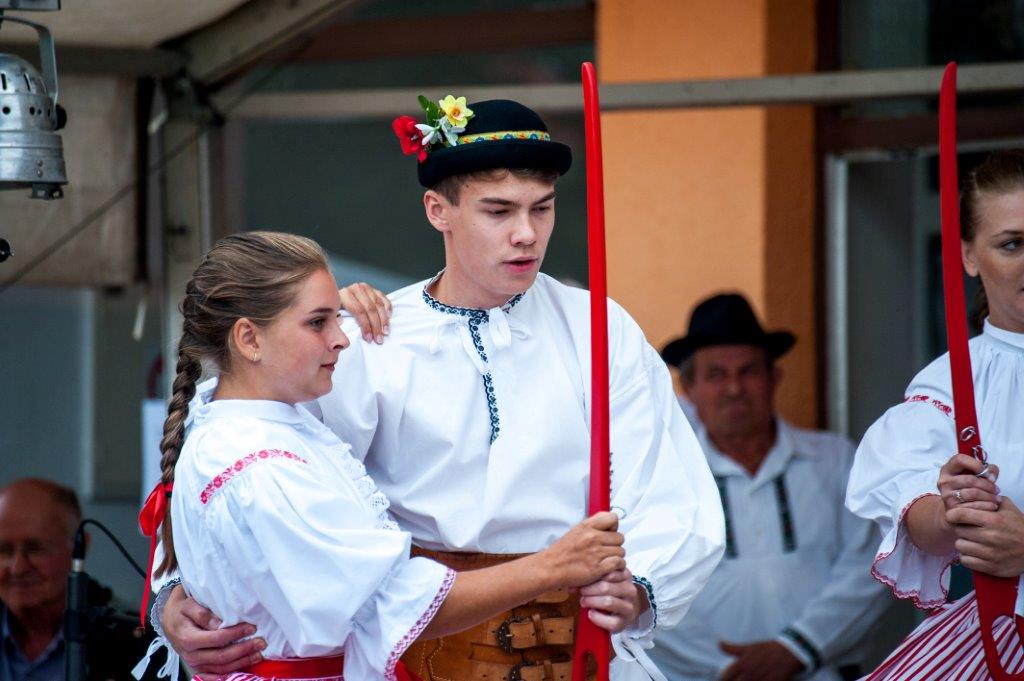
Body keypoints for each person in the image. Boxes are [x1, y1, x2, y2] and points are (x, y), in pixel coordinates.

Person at [155, 98, 725, 681]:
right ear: (438, 210)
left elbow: (668, 484)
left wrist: (640, 588)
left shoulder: (598, 328)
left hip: (576, 646)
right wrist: (174, 592)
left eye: (542, 208)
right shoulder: (367, 339)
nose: (526, 234)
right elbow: (249, 480)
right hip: (415, 648)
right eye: (498, 211)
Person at [148, 231, 626, 681]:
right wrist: (555, 565)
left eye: (337, 316)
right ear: (249, 339)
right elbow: (388, 603)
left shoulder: (237, 426)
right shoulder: (261, 464)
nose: (341, 337)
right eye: (318, 322)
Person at [846, 149, 1024, 678]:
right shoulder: (952, 382)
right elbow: (917, 509)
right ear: (968, 256)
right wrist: (952, 510)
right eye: (1012, 244)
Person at [649, 294, 890, 681]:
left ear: (773, 378)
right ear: (688, 388)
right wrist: (727, 669)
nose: (734, 388)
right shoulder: (665, 478)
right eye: (716, 375)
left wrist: (796, 649)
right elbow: (647, 590)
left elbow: (873, 564)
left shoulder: (835, 460)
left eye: (748, 372)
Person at [0, 478, 163, 681]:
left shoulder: (133, 641)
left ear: (80, 546)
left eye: (35, 549)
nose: (18, 568)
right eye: (4, 551)